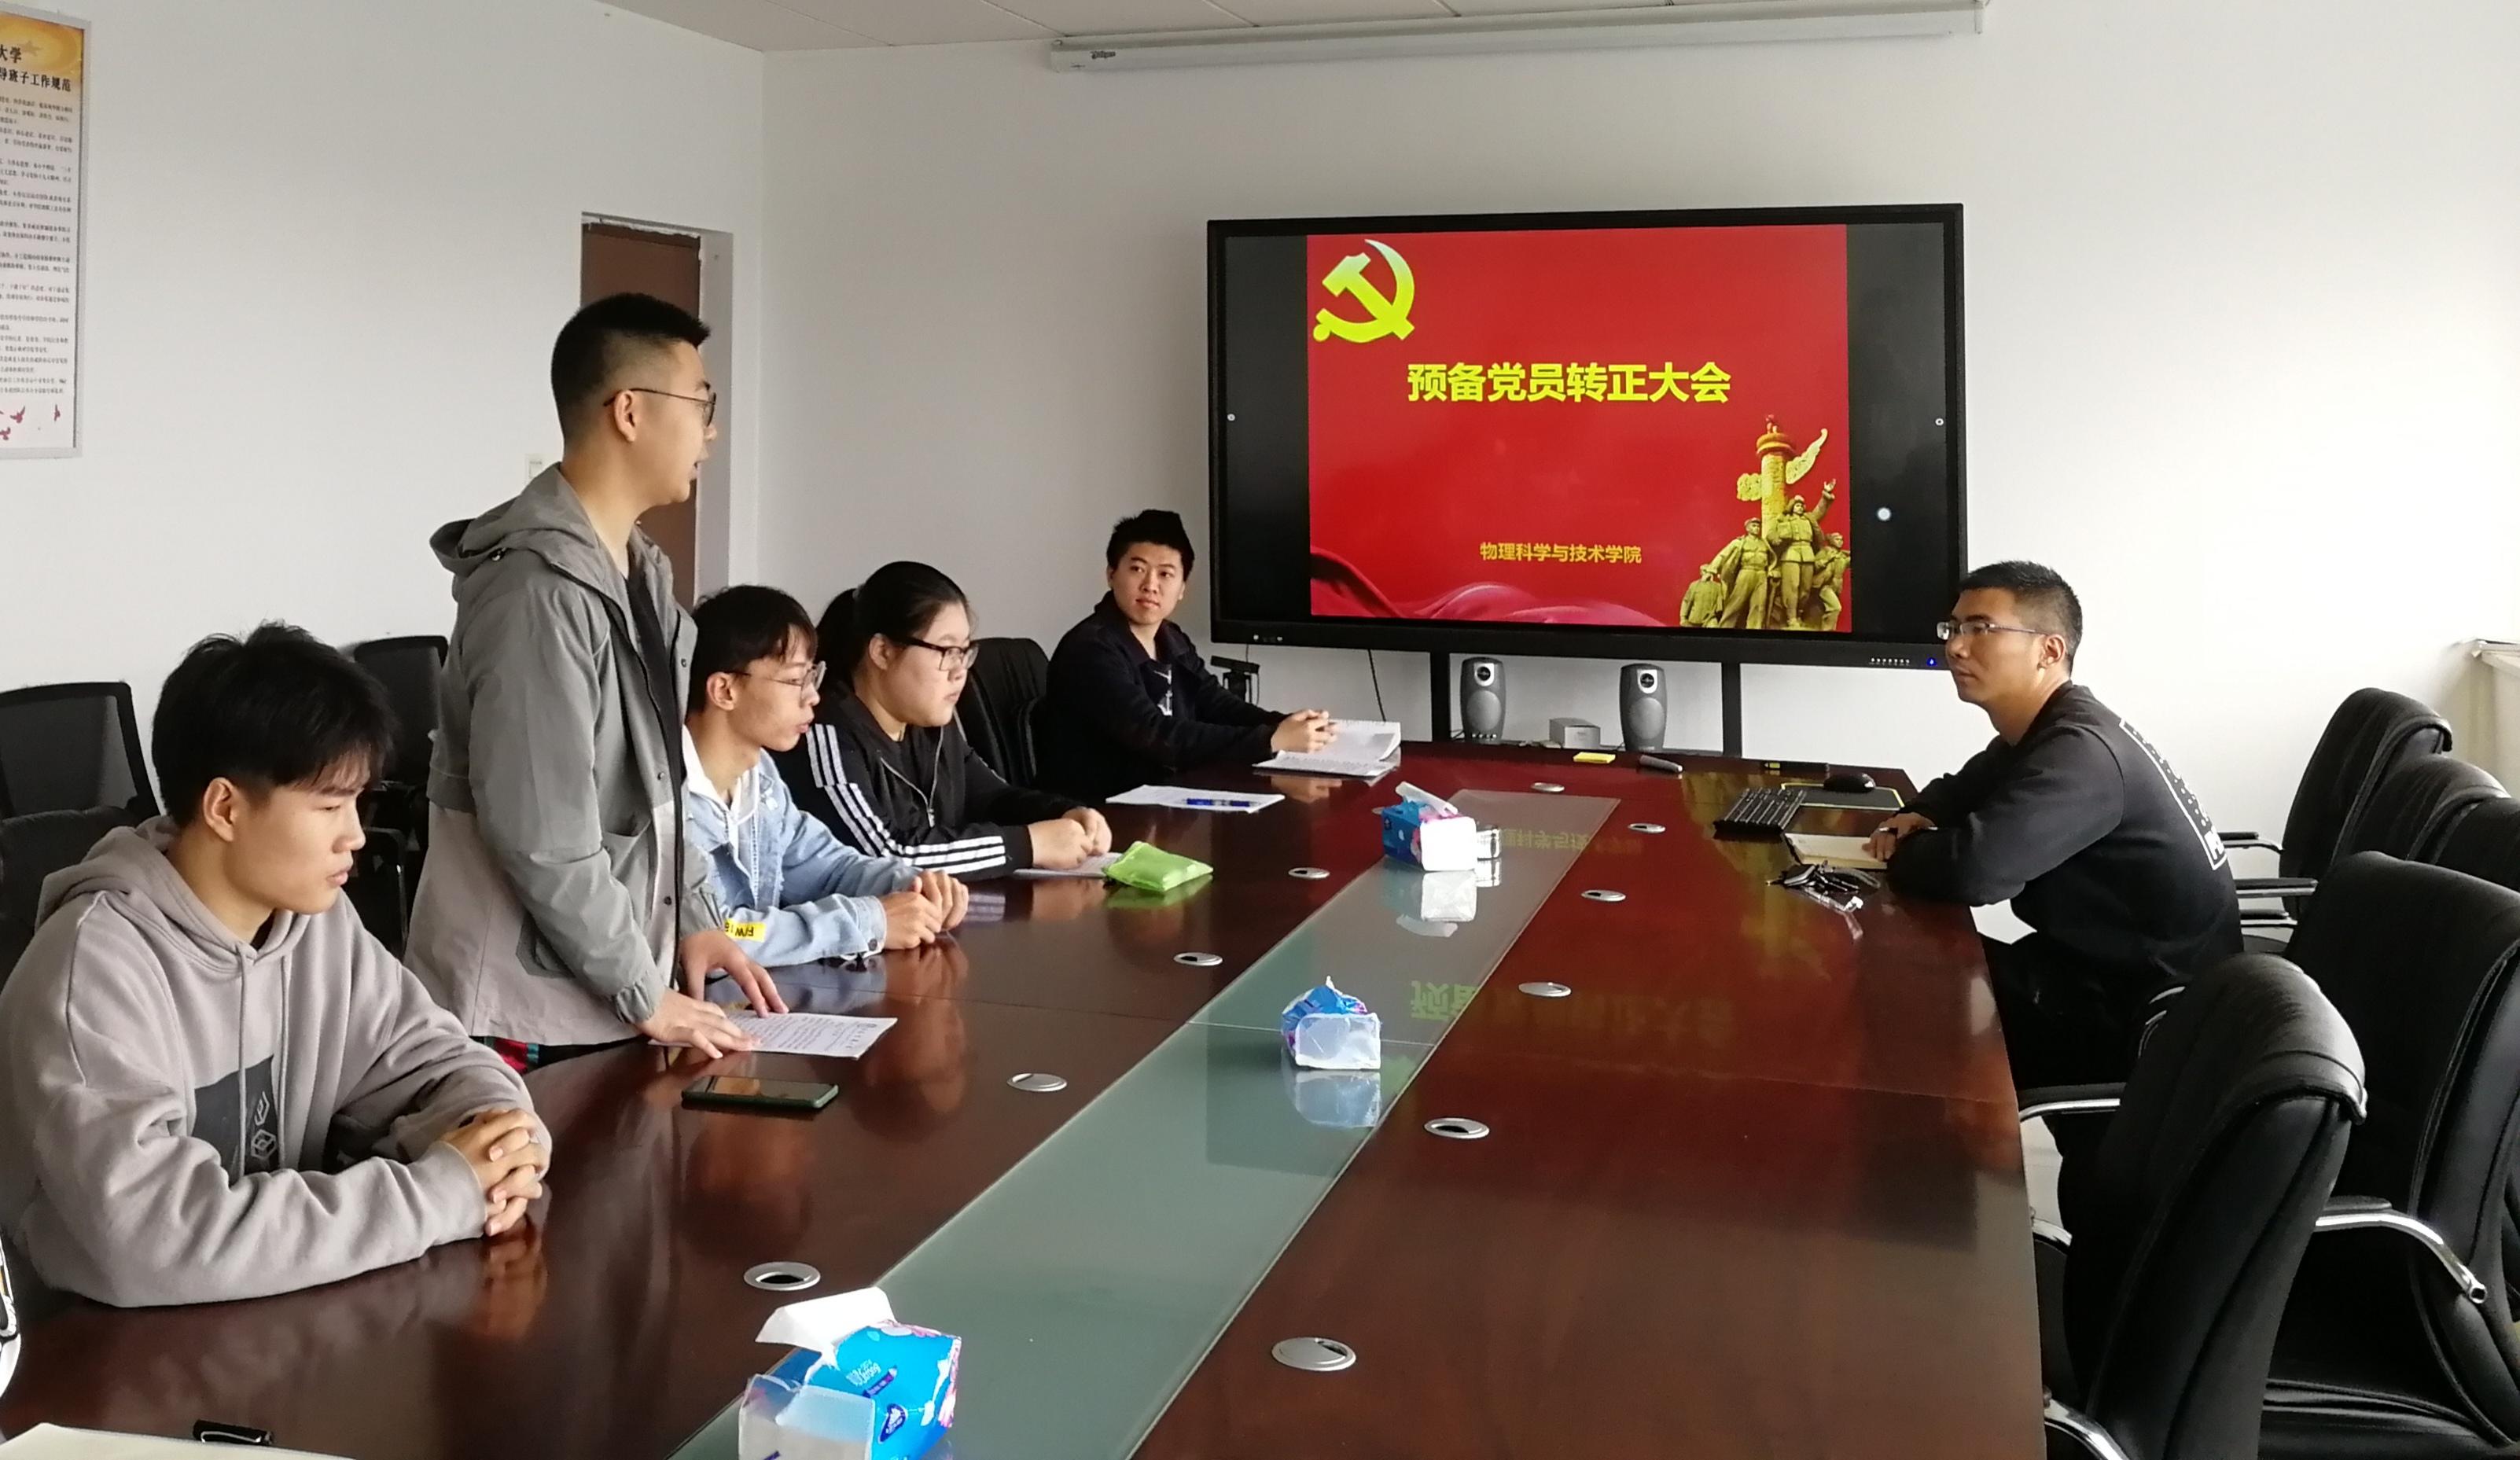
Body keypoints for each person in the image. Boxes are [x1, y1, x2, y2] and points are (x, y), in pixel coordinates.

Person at [0, 626, 550, 1307]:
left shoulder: (316, 923)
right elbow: (150, 1241)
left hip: (272, 1320)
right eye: (329, 806)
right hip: (86, 1349)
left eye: (358, 803)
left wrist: (503, 1143)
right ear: (225, 807)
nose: (355, 835)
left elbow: (438, 1061)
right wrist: (440, 1194)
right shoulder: (90, 972)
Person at [408, 293, 778, 1069]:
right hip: (525, 1013)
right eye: (701, 404)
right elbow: (544, 839)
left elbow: (660, 791)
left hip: (605, 994)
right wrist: (644, 992)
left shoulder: (641, 573)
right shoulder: (537, 594)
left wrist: (696, 920)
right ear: (630, 411)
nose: (711, 433)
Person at [1868, 561, 2240, 1090]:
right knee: (1912, 960)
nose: (1955, 647)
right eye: (1953, 627)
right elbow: (1962, 788)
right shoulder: (2051, 726)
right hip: (2087, 971)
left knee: (1899, 973)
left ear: (2048, 650)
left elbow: (1976, 872)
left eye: (1980, 628)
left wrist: (1901, 851)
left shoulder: (2080, 754)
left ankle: (1926, 1134)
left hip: (2144, 1021)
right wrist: (1921, 815)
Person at [686, 585, 969, 966]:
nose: (813, 697)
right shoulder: (672, 802)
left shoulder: (760, 778)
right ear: (725, 690)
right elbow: (728, 930)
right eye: (795, 680)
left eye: (812, 677)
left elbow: (829, 868)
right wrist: (867, 921)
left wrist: (912, 884)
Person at [778, 562, 1111, 877]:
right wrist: (1028, 845)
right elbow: (887, 857)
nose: (960, 671)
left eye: (964, 652)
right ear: (882, 652)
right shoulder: (826, 733)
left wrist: (1065, 813)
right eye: (946, 652)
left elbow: (992, 798)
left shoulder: (931, 724)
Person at [1036, 509, 1333, 802]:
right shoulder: (1090, 649)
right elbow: (1154, 733)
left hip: (1163, 800)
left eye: (1165, 574)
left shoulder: (1171, 638)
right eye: (1137, 569)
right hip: (1100, 813)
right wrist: (1270, 740)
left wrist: (1285, 724)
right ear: (1111, 575)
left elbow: (1216, 704)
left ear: (1181, 589)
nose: (1150, 585)